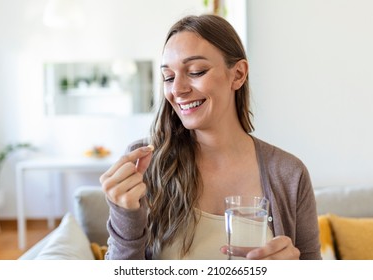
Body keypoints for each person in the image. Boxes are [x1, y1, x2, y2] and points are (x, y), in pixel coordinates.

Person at [100, 14, 321, 260]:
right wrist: (125, 217)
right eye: (169, 77)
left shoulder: (289, 174)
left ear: (237, 75)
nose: (177, 89)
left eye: (196, 71)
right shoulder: (145, 166)